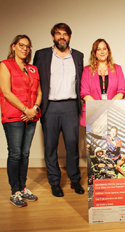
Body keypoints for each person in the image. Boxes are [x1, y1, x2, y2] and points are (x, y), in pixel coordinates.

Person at [33, 23, 84, 197]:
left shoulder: (78, 56)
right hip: (50, 106)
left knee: (72, 145)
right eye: (58, 34)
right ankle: (54, 182)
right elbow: (35, 81)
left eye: (65, 34)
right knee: (50, 146)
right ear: (53, 36)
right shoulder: (41, 55)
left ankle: (75, 180)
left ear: (69, 37)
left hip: (71, 105)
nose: (61, 37)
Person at [0, 35, 41, 207]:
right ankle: (14, 191)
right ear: (13, 46)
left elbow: (39, 92)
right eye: (21, 45)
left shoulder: (33, 69)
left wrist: (34, 109)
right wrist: (26, 110)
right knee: (15, 154)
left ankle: (23, 188)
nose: (24, 48)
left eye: (28, 46)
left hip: (31, 116)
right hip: (14, 117)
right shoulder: (5, 65)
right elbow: (7, 92)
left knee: (25, 154)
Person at [80, 39, 125, 127]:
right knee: (94, 140)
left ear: (108, 51)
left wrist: (107, 107)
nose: (102, 52)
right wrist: (99, 109)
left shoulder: (117, 68)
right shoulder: (86, 70)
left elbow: (121, 91)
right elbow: (84, 93)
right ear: (94, 53)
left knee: (111, 140)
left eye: (104, 49)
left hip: (112, 113)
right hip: (92, 114)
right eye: (98, 49)